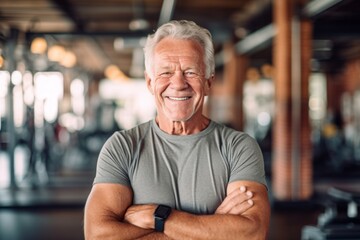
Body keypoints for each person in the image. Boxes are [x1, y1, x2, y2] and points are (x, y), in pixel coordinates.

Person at [84, 20, 270, 239]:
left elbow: (252, 232)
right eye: (165, 73)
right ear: (149, 82)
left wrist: (157, 217)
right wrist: (211, 229)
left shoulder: (238, 147)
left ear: (209, 82)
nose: (178, 83)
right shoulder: (123, 147)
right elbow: (98, 235)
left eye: (190, 72)